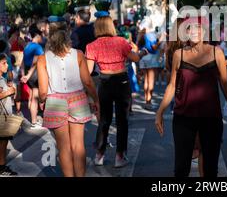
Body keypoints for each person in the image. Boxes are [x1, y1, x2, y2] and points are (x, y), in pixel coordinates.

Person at [155, 16, 227, 177]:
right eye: (190, 28)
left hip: (211, 119)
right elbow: (172, 85)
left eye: (198, 28)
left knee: (210, 169)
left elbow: (225, 85)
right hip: (183, 118)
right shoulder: (179, 55)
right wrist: (160, 112)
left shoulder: (217, 53)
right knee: (181, 168)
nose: (194, 31)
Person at [37, 21, 100, 177]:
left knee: (63, 147)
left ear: (50, 38)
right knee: (78, 145)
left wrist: (41, 101)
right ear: (67, 36)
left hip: (55, 101)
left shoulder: (42, 59)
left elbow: (43, 91)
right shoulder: (78, 54)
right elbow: (87, 82)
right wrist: (96, 99)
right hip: (77, 98)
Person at [85, 15, 147, 168]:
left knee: (104, 120)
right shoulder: (121, 41)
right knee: (122, 120)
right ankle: (120, 156)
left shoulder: (91, 46)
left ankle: (99, 155)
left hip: (104, 82)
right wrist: (142, 53)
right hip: (121, 81)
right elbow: (135, 58)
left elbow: (88, 70)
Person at [137, 18, 165, 110]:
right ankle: (149, 102)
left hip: (142, 58)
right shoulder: (151, 35)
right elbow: (154, 47)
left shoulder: (140, 35)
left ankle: (146, 101)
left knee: (146, 80)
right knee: (151, 81)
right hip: (151, 58)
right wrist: (160, 39)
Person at [20, 25, 44, 129]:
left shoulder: (27, 46)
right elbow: (36, 62)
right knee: (36, 96)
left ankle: (34, 121)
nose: (42, 38)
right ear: (38, 35)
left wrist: (23, 74)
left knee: (32, 95)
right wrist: (29, 73)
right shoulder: (37, 47)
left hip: (27, 72)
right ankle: (37, 119)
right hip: (35, 73)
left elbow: (22, 62)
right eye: (41, 36)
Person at [0, 54, 18, 176]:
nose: (7, 65)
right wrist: (8, 92)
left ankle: (2, 165)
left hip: (6, 114)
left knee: (4, 141)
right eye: (4, 63)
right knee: (2, 141)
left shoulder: (3, 78)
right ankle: (1, 166)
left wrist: (11, 90)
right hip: (2, 115)